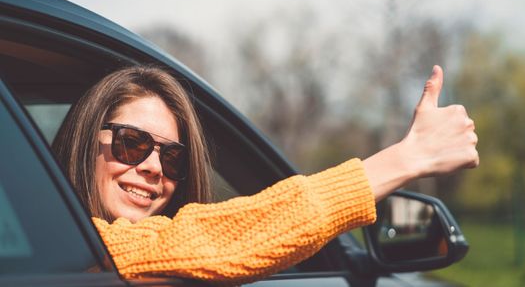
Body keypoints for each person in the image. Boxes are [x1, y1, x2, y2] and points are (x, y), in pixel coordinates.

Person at [52, 64, 478, 284]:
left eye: (173, 158)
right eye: (132, 142)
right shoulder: (73, 248)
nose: (152, 167)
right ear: (87, 140)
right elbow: (219, 237)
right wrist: (409, 158)